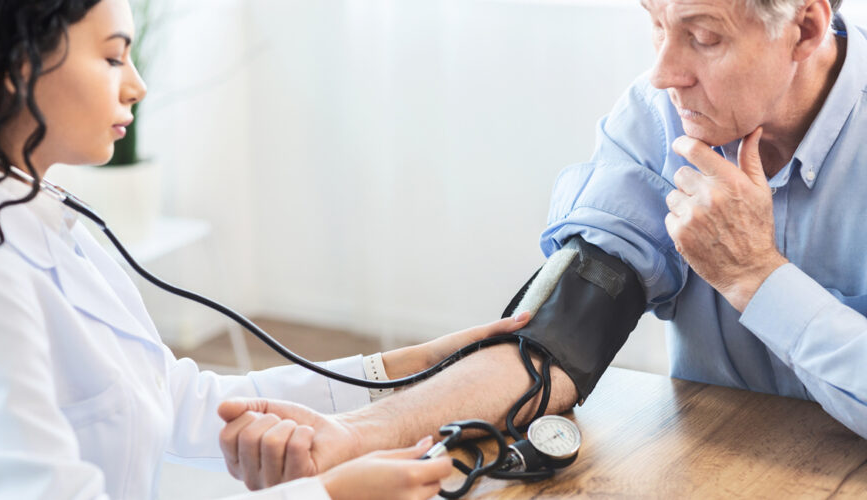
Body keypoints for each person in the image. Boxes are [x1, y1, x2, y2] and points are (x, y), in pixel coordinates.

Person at [219, 0, 867, 489]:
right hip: (716, 461)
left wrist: (757, 277)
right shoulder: (657, 118)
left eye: (703, 37)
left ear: (806, 28)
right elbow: (555, 342)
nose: (665, 73)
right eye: (654, 23)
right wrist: (352, 435)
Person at [0, 1, 534, 498]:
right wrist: (332, 494)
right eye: (112, 58)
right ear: (19, 65)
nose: (137, 87)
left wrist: (402, 367)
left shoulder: (47, 221)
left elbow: (175, 399)